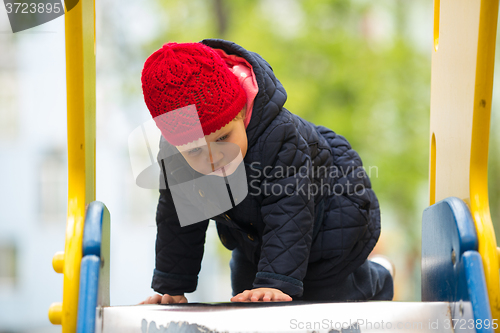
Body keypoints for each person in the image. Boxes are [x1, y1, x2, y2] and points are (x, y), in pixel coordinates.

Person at [139, 39, 393, 304]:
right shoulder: (177, 159)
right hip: (254, 236)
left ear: (243, 112)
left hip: (329, 220)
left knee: (329, 298)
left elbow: (289, 209)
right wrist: (172, 288)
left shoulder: (279, 137)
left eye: (224, 138)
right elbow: (177, 219)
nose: (214, 158)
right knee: (247, 298)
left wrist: (274, 283)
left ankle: (380, 277)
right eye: (194, 151)